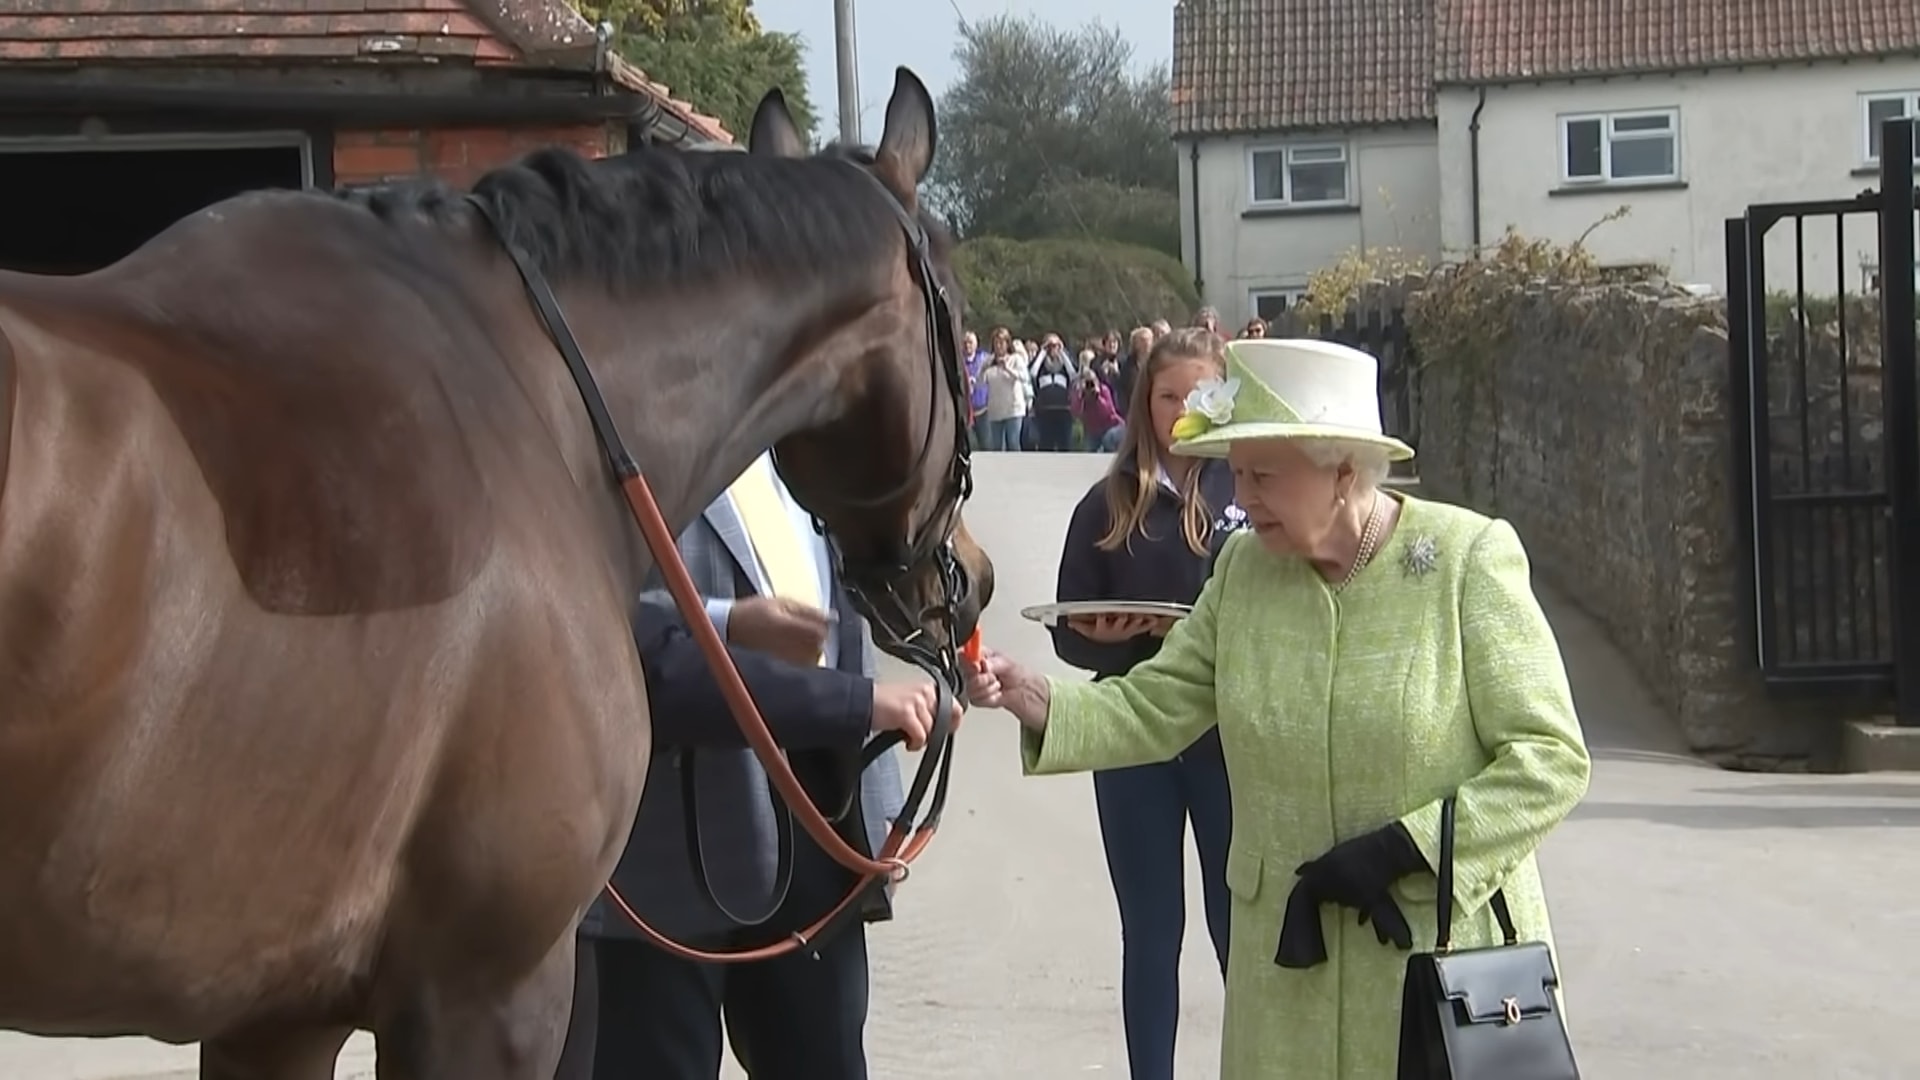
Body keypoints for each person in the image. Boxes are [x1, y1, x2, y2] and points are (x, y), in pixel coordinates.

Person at [966, 337, 1591, 1079]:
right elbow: (1159, 702)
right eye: (1236, 473)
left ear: (1344, 473)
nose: (1243, 496)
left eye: (1263, 474)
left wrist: (1408, 848)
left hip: (1435, 967)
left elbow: (1550, 759)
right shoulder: (1244, 571)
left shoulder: (1466, 560)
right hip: (1287, 973)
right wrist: (1037, 700)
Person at [558, 451, 957, 1080]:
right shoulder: (626, 428)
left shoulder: (808, 451)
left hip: (816, 823)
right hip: (666, 847)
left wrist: (880, 818)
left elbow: (846, 626)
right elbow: (579, 614)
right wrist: (729, 623)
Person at [1051, 327, 1240, 1080]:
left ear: (1225, 397)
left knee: (1239, 932)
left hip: (1229, 738)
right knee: (1152, 933)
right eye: (1169, 396)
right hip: (1132, 739)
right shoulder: (1107, 503)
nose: (1184, 410)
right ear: (1145, 401)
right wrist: (1107, 637)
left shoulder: (1248, 491)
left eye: (1202, 394)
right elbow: (1068, 631)